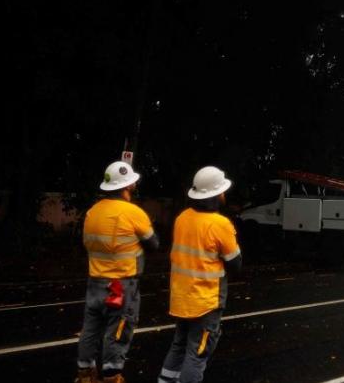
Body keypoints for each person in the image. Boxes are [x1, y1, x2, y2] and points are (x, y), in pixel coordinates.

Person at [77, 161, 159, 383]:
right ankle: (112, 376)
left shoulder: (92, 212)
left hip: (95, 281)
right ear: (128, 186)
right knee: (118, 330)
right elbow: (153, 244)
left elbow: (85, 244)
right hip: (122, 284)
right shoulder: (134, 212)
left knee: (91, 329)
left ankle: (85, 374)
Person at [159, 166, 242, 383]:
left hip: (182, 298)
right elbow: (235, 264)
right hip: (205, 301)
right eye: (222, 190)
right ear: (215, 194)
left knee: (179, 345)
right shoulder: (220, 224)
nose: (224, 194)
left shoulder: (182, 218)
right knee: (197, 353)